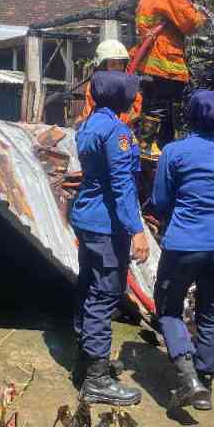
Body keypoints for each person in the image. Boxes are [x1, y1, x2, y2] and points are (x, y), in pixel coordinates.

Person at [151, 90, 214, 411]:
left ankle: (188, 378)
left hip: (183, 244)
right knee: (211, 312)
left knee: (168, 308)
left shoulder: (174, 152)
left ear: (190, 115)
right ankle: (205, 383)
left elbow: (160, 200)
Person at [69, 70, 151, 406]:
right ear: (121, 97)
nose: (135, 98)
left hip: (86, 217)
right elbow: (122, 184)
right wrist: (137, 230)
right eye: (132, 93)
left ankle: (86, 363)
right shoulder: (118, 132)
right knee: (104, 295)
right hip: (106, 224)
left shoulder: (88, 124)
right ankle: (97, 381)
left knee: (88, 287)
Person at [131, 0, 207, 149]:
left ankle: (147, 146)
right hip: (166, 64)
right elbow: (191, 23)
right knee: (167, 109)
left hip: (149, 63)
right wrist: (202, 14)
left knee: (153, 107)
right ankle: (161, 148)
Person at [76, 38, 142, 127]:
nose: (118, 68)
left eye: (120, 64)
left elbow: (131, 116)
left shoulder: (130, 87)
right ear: (102, 66)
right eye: (113, 64)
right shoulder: (95, 86)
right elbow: (89, 112)